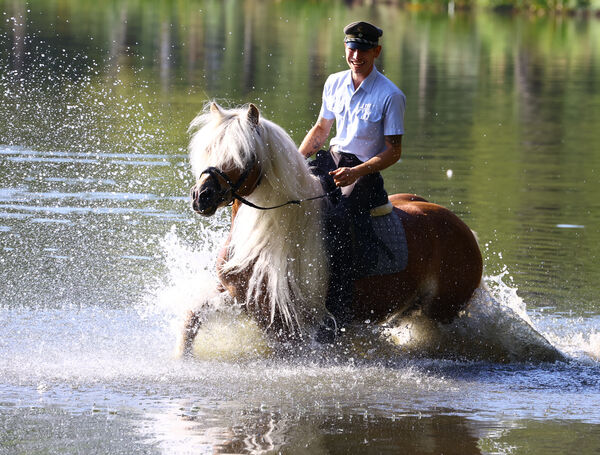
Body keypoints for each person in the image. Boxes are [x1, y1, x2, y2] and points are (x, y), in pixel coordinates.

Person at [298, 21, 406, 331]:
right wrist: (295, 161)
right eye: (351, 48)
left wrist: (356, 171)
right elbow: (321, 130)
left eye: (363, 50)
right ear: (346, 49)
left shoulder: (390, 95)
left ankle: (337, 312)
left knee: (335, 220)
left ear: (377, 51)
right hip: (332, 161)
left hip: (364, 172)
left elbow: (393, 151)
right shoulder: (333, 82)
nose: (356, 55)